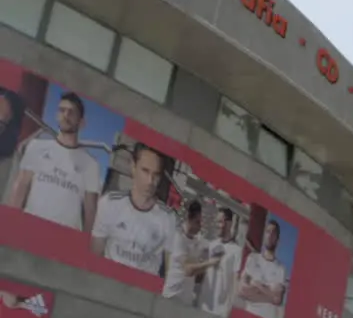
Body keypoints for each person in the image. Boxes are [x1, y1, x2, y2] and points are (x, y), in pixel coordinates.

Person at [4, 92, 101, 231]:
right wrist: (10, 224)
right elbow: (21, 187)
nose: (66, 115)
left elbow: (90, 211)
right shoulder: (36, 146)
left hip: (64, 239)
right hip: (29, 229)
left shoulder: (91, 164)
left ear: (81, 122)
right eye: (62, 110)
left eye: (71, 112)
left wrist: (83, 246)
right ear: (57, 115)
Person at [91, 143, 178, 275]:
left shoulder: (168, 218)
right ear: (133, 167)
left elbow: (171, 271)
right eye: (145, 171)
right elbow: (94, 254)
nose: (150, 181)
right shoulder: (109, 203)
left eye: (156, 174)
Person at [163, 200, 218, 306]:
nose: (200, 226)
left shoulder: (198, 240)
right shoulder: (178, 238)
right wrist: (211, 263)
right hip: (172, 296)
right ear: (189, 218)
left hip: (185, 299)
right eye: (197, 222)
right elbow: (188, 270)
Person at [237, 219, 288, 318]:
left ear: (278, 240)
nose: (270, 236)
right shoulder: (252, 258)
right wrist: (269, 293)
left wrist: (256, 284)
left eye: (273, 233)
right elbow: (242, 291)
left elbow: (278, 299)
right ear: (264, 235)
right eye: (268, 232)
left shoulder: (280, 269)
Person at [201, 207, 243, 318]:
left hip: (221, 311)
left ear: (229, 223)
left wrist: (229, 309)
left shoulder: (236, 251)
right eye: (217, 222)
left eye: (220, 222)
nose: (217, 225)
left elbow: (235, 282)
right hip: (204, 306)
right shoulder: (211, 245)